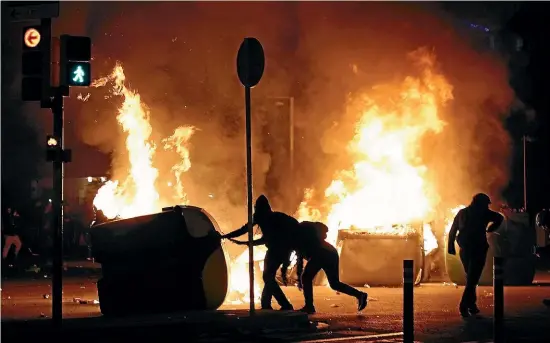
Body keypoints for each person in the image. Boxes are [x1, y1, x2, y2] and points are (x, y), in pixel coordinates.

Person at [222, 195, 297, 310]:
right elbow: (244, 229)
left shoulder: (273, 219)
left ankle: (285, 305)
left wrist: (246, 243)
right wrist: (226, 236)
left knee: (268, 277)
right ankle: (266, 305)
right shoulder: (260, 217)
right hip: (273, 249)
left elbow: (267, 239)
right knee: (268, 277)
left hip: (281, 249)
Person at [290, 221, 368, 314]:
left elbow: (300, 259)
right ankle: (360, 295)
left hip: (322, 253)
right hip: (330, 252)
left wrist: (300, 278)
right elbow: (300, 259)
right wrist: (300, 278)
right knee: (334, 284)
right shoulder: (298, 235)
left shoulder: (298, 234)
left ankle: (309, 306)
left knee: (306, 277)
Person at [448, 193, 504, 317]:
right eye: (485, 204)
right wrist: (491, 228)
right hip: (478, 248)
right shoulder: (484, 213)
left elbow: (453, 230)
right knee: (472, 278)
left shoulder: (462, 212)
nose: (487, 207)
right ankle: (464, 305)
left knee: (471, 277)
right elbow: (500, 218)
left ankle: (471, 305)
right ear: (480, 204)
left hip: (465, 249)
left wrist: (451, 246)